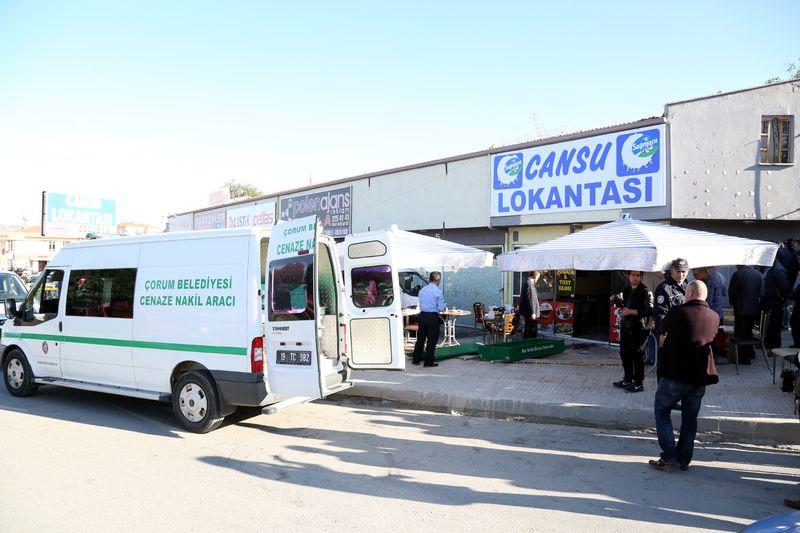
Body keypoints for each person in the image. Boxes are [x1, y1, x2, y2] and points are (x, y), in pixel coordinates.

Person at [649, 280, 720, 472]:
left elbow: (662, 328)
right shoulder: (714, 316)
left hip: (675, 374)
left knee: (662, 410)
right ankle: (684, 459)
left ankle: (669, 456)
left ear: (688, 293)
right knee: (690, 418)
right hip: (699, 378)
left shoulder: (678, 312)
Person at [612, 270, 653, 393]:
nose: (635, 278)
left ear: (641, 277)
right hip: (626, 326)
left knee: (637, 355)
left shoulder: (646, 291)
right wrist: (622, 310)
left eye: (637, 275)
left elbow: (649, 310)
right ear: (629, 276)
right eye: (633, 275)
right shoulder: (626, 290)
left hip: (640, 327)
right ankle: (627, 379)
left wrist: (630, 311)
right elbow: (626, 305)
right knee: (624, 353)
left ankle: (638, 383)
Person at [653, 259, 688, 372]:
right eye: (678, 271)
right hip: (670, 334)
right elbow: (660, 314)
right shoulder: (664, 288)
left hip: (684, 333)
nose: (681, 274)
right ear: (672, 270)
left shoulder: (688, 285)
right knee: (666, 367)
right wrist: (663, 333)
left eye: (684, 271)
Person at [728, 265, 763, 363]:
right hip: (755, 308)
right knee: (750, 333)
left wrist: (733, 302)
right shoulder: (757, 274)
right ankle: (751, 353)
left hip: (742, 309)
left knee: (741, 334)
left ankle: (743, 358)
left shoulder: (738, 274)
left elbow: (732, 292)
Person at [412, 271, 445, 368]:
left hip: (422, 316)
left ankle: (416, 360)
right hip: (432, 317)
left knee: (420, 339)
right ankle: (428, 362)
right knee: (432, 340)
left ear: (430, 279)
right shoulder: (438, 292)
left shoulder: (422, 290)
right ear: (438, 280)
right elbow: (441, 308)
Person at [517, 271, 541, 339]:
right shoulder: (529, 284)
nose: (537, 279)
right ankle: (529, 346)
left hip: (528, 313)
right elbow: (531, 300)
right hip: (530, 313)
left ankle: (527, 345)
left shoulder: (526, 283)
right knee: (531, 331)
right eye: (538, 278)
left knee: (529, 330)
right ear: (535, 276)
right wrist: (533, 313)